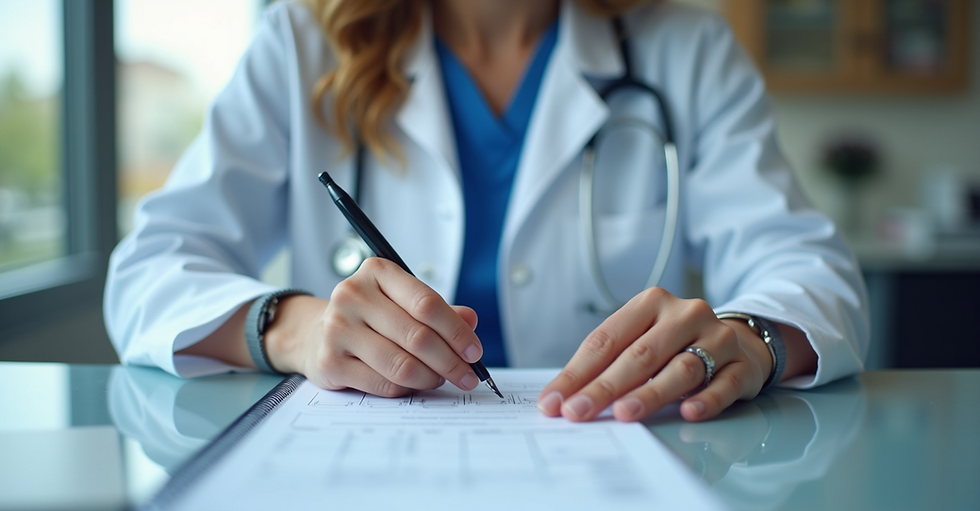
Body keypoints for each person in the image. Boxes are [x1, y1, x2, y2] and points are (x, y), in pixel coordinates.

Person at [104, 0, 869, 424]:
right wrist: (296, 327)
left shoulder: (687, 47)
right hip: (367, 488)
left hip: (624, 465)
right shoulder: (301, 46)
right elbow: (147, 272)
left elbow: (807, 268)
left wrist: (751, 336)